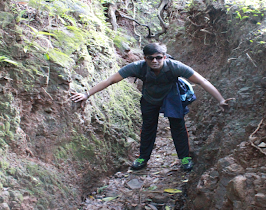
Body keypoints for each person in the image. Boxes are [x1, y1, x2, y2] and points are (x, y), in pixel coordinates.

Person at [70, 43, 228, 172]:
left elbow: (203, 81)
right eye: (150, 58)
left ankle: (185, 158)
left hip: (171, 96)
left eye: (158, 57)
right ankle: (143, 158)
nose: (154, 61)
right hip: (149, 98)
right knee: (148, 128)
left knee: (177, 126)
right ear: (145, 58)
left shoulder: (175, 67)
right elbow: (110, 80)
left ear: (164, 57)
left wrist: (220, 100)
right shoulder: (137, 67)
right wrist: (87, 94)